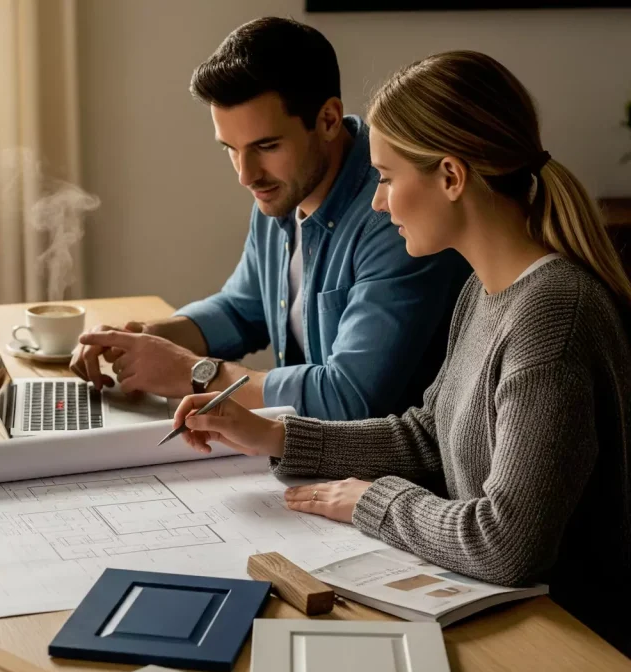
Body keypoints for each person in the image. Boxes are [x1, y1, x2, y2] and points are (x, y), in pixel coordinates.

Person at [170, 51, 631, 657]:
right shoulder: (484, 291)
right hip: (509, 615)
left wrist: (372, 501)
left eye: (386, 178)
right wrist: (276, 436)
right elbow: (429, 436)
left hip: (573, 643)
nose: (378, 202)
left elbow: (506, 543)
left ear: (451, 177)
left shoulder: (551, 317)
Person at [70, 17, 469, 419]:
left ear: (328, 120)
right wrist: (148, 338)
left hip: (379, 455)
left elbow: (348, 398)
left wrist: (194, 372)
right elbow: (242, 310)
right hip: (297, 444)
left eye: (266, 146)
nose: (246, 175)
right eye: (231, 148)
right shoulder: (281, 189)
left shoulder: (395, 215)